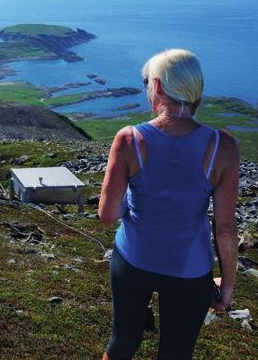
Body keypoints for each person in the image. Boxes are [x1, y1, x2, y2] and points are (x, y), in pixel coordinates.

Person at [98, 49, 239, 360]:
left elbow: (107, 215)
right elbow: (226, 228)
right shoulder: (223, 146)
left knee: (122, 342)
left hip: (132, 260)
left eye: (147, 82)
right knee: (176, 353)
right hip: (191, 270)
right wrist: (227, 286)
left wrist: (131, 204)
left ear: (158, 87)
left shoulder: (129, 140)